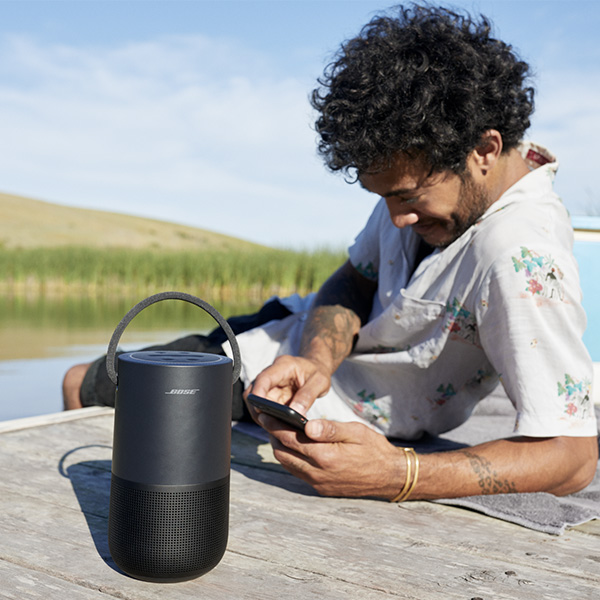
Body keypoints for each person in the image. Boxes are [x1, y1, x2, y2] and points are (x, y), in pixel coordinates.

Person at [63, 4, 598, 502]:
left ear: (484, 149)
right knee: (79, 382)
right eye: (383, 198)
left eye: (408, 197)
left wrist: (400, 474)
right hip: (283, 348)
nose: (396, 219)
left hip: (307, 389)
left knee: (81, 384)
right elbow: (354, 279)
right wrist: (316, 361)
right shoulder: (423, 171)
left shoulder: (520, 259)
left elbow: (573, 457)